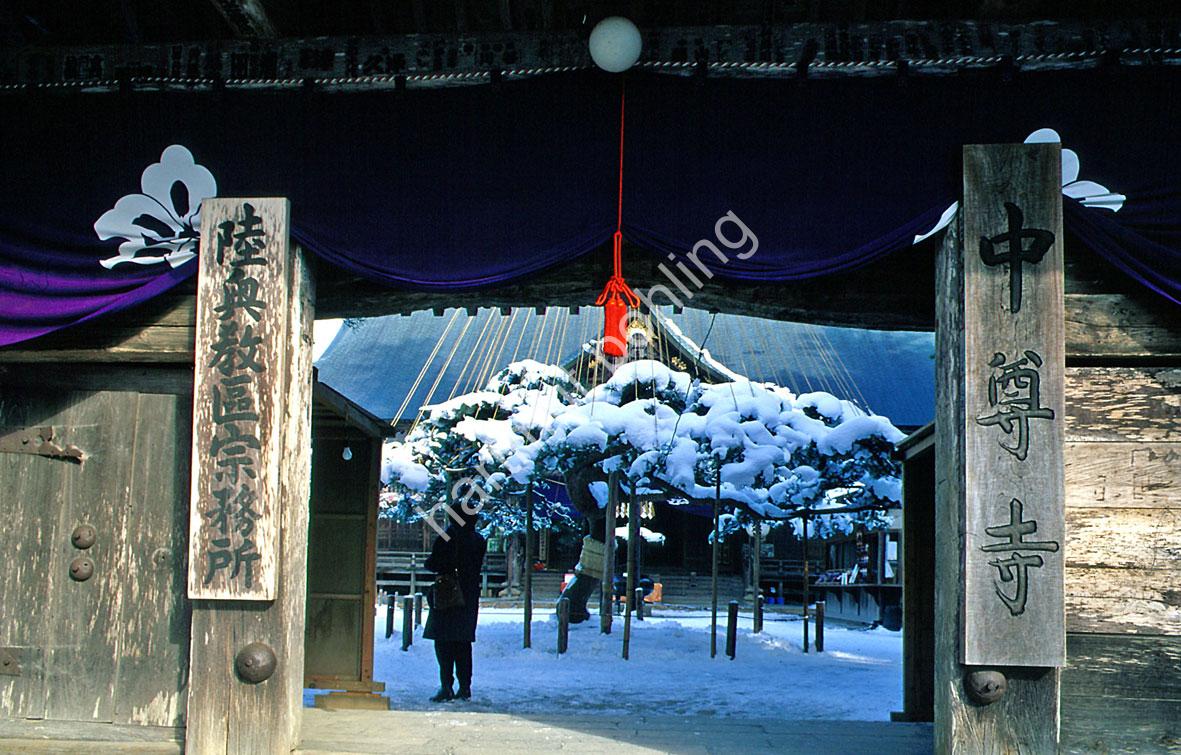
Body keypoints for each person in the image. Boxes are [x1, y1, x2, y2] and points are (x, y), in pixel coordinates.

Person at [423, 502, 487, 702]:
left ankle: (446, 686)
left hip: (447, 595)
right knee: (463, 644)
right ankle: (465, 687)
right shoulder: (478, 540)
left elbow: (434, 564)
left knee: (443, 643)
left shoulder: (446, 538)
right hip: (468, 597)